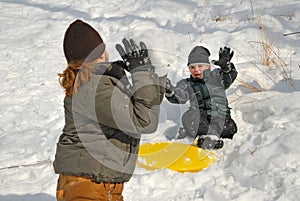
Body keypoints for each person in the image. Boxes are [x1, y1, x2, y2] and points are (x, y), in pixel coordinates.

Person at [53, 19, 164, 201]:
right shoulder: (93, 87)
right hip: (87, 185)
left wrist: (150, 74)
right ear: (101, 53)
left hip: (99, 184)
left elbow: (146, 113)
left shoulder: (99, 83)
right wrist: (142, 71)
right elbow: (143, 122)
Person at [165, 46, 238, 149]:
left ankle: (207, 137)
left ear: (208, 66)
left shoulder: (217, 76)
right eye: (192, 67)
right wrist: (170, 91)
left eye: (200, 66)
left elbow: (229, 77)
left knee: (230, 128)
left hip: (220, 117)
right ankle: (207, 137)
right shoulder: (187, 84)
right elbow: (179, 97)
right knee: (189, 117)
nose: (196, 70)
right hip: (200, 116)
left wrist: (226, 68)